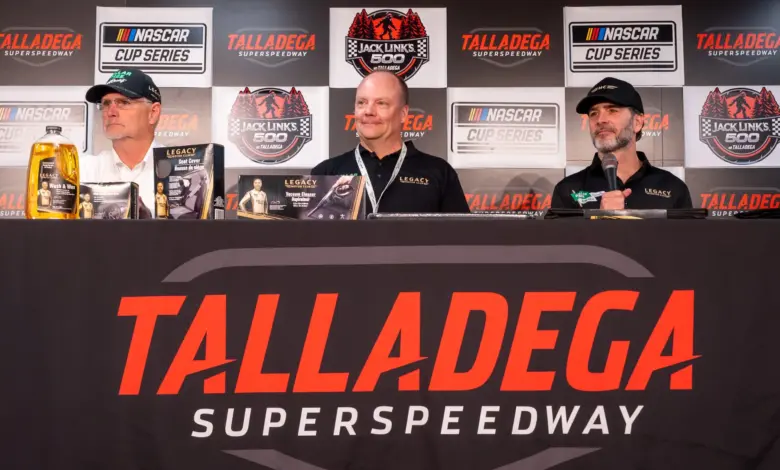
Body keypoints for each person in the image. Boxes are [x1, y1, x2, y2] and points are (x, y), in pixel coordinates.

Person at [311, 70, 470, 214]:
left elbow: (461, 235)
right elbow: (309, 234)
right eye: (361, 102)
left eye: (381, 103)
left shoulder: (439, 172)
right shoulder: (325, 173)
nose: (368, 111)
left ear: (403, 114)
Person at [551, 77, 692, 210]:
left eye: (612, 110)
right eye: (593, 113)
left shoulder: (673, 187)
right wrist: (600, 219)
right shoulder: (567, 190)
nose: (600, 120)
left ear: (637, 122)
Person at [80, 68, 163, 218]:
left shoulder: (179, 169)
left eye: (124, 102)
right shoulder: (82, 171)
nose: (111, 112)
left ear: (153, 113)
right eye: (106, 103)